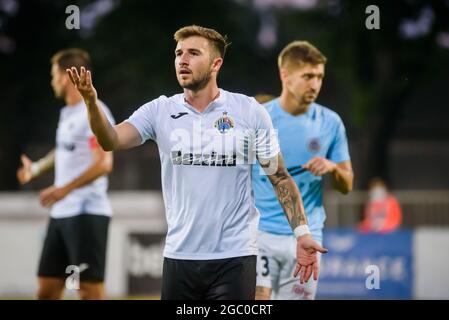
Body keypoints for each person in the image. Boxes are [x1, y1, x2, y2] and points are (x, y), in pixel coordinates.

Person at [66, 25, 327, 300]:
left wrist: (302, 233)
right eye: (179, 53)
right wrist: (92, 103)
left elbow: (280, 177)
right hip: (179, 255)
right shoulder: (160, 110)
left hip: (235, 256)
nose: (183, 60)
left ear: (216, 63)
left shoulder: (249, 111)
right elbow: (111, 140)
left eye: (193, 53)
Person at [253, 41, 354, 300]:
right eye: (308, 76)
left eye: (319, 77)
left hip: (308, 235)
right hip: (258, 233)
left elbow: (347, 185)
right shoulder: (259, 118)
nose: (315, 84)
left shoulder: (330, 122)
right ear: (284, 75)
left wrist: (333, 168)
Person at [17, 49, 115, 300]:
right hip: (61, 214)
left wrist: (65, 189)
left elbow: (104, 163)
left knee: (88, 290)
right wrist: (36, 168)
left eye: (53, 75)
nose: (52, 82)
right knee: (47, 288)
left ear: (64, 77)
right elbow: (64, 150)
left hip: (86, 213)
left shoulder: (93, 111)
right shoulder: (67, 113)